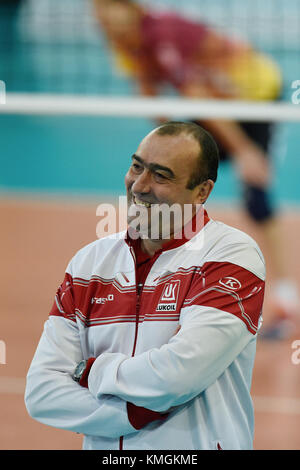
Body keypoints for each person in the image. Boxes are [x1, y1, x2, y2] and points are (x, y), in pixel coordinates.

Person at [25, 121, 266, 450]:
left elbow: (179, 374)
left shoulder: (230, 257)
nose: (139, 185)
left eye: (160, 175)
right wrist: (132, 415)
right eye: (136, 166)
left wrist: (92, 371)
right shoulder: (88, 264)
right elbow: (42, 393)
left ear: (202, 192)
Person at [93, 0, 299, 338]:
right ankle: (162, 287)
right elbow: (149, 90)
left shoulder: (161, 33)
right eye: (97, 13)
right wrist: (164, 152)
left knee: (257, 198)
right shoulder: (124, 44)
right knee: (166, 185)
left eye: (109, 9)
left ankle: (286, 303)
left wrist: (246, 152)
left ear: (130, 8)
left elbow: (196, 92)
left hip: (256, 97)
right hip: (213, 102)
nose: (104, 19)